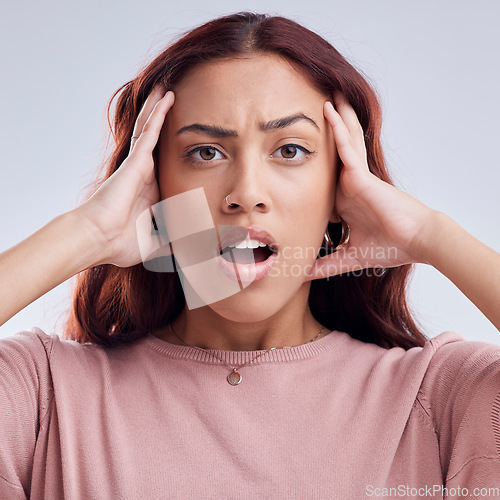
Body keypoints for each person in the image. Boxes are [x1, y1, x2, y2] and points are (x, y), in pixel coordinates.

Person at [1, 11, 499, 499]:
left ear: (340, 187)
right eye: (205, 152)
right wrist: (87, 232)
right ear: (153, 186)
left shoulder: (437, 400)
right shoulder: (44, 396)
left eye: (290, 150)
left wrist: (429, 233)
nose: (245, 193)